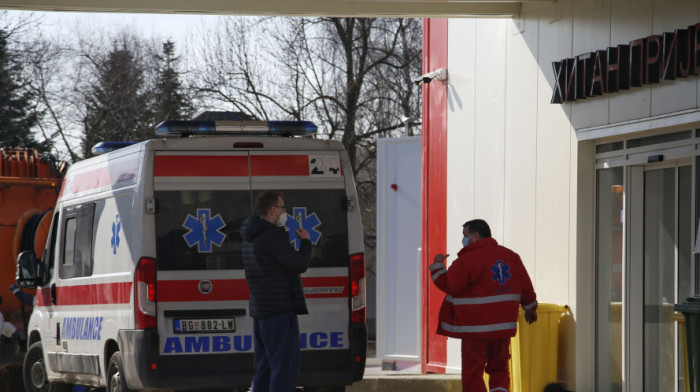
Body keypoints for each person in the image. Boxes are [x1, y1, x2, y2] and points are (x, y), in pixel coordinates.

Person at [430, 219, 537, 392]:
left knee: (473, 372)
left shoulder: (467, 261)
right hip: (502, 327)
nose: (463, 240)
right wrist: (531, 309)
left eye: (465, 235)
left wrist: (437, 267)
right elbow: (526, 286)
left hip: (474, 329)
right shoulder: (511, 256)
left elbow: (451, 285)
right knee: (499, 368)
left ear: (476, 235)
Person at [240, 190, 312, 392]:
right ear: (273, 210)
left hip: (261, 311)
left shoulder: (250, 237)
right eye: (283, 207)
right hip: (279, 311)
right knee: (284, 369)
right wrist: (305, 242)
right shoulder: (272, 236)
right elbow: (298, 264)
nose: (284, 212)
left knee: (264, 368)